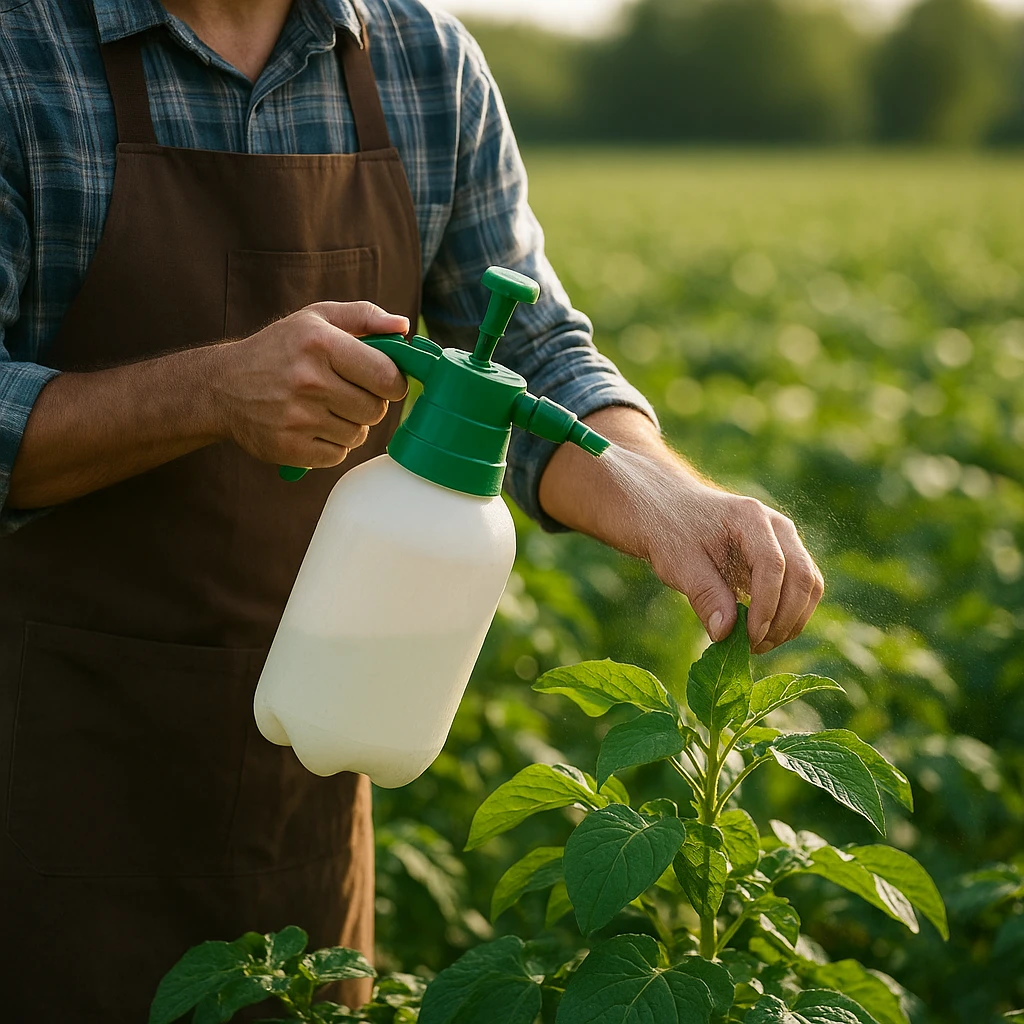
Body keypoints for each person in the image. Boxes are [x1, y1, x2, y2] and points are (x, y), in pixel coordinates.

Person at [0, 0, 824, 1019]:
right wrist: (208, 390)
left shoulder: (421, 60)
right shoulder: (23, 52)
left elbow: (525, 360)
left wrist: (666, 494)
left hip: (307, 765)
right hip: (46, 764)